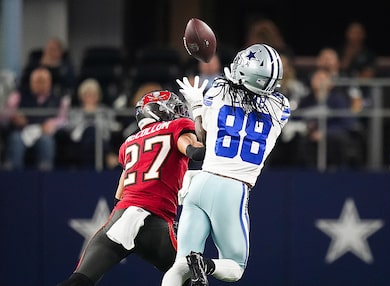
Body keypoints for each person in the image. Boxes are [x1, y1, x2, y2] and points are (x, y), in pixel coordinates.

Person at [161, 43, 291, 285]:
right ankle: (205, 264)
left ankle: (191, 264)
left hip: (201, 182)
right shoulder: (280, 108)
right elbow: (259, 99)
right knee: (234, 267)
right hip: (233, 189)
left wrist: (197, 105)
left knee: (179, 266)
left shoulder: (218, 90)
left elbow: (202, 138)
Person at [57, 90, 205, 286]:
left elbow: (120, 192)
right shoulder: (176, 126)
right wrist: (203, 116)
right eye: (176, 109)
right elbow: (196, 152)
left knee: (79, 281)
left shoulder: (129, 142)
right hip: (154, 221)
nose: (179, 113)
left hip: (120, 219)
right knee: (190, 279)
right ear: (159, 111)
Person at [3, 67, 69, 171]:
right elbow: (5, 112)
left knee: (46, 141)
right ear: (31, 82)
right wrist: (14, 115)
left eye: (43, 81)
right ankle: (14, 174)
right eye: (38, 81)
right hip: (22, 131)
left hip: (44, 132)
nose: (41, 84)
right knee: (16, 140)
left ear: (49, 82)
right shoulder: (18, 96)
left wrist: (52, 124)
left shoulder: (58, 99)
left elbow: (63, 119)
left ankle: (45, 175)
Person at [59, 78, 121, 169]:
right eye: (88, 94)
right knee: (90, 130)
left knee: (93, 132)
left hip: (102, 139)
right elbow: (69, 127)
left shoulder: (105, 111)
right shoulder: (75, 112)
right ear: (82, 96)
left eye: (94, 94)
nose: (91, 97)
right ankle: (108, 155)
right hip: (80, 142)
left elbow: (113, 126)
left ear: (98, 96)